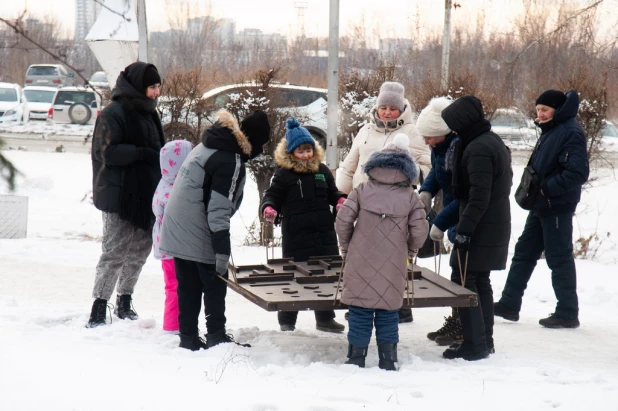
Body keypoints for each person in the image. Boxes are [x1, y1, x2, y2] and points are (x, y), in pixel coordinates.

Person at [159, 109, 271, 351]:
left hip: (177, 226)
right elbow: (218, 209)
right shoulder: (229, 159)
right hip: (196, 227)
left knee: (188, 285)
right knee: (215, 281)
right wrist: (221, 250)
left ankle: (188, 337)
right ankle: (216, 336)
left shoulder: (211, 143)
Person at [337, 81, 431, 323]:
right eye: (383, 107)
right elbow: (350, 165)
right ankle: (360, 302)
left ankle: (398, 306)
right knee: (363, 255)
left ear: (402, 109)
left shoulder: (412, 132)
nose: (387, 112)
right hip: (363, 202)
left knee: (392, 256)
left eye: (392, 108)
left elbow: (427, 166)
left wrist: (405, 179)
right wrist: (341, 195)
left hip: (395, 207)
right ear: (377, 108)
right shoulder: (365, 131)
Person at [494, 90, 589, 329]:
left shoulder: (570, 132)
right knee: (524, 252)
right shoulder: (553, 130)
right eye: (538, 110)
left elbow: (578, 172)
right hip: (541, 205)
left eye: (545, 110)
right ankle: (509, 304)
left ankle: (567, 312)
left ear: (558, 109)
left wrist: (547, 189)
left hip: (556, 205)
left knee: (559, 258)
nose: (540, 114)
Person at [336, 134, 429, 370]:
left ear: (375, 165)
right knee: (389, 311)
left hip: (359, 259)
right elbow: (419, 230)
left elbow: (343, 220)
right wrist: (410, 249)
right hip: (394, 262)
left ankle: (356, 357)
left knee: (359, 309)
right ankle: (388, 359)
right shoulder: (410, 197)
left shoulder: (361, 190)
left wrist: (347, 246)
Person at [87, 62, 165, 328]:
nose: (156, 92)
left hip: (146, 195)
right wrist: (142, 154)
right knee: (114, 253)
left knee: (139, 252)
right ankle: (98, 308)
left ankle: (124, 300)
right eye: (152, 87)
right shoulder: (113, 113)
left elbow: (161, 150)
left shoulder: (150, 114)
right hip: (119, 196)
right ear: (138, 87)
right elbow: (105, 151)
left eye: (157, 87)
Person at [440, 94, 513, 361]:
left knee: (465, 281)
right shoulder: (489, 141)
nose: (453, 130)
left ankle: (476, 345)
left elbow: (479, 196)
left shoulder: (479, 148)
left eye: (454, 124)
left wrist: (464, 230)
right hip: (491, 224)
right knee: (479, 281)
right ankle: (484, 341)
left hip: (481, 226)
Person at [261, 118, 347, 333]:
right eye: (301, 151)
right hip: (296, 235)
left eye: (309, 150)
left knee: (327, 275)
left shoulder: (322, 171)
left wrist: (339, 200)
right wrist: (269, 208)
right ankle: (287, 319)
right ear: (291, 153)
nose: (306, 155)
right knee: (294, 276)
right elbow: (272, 195)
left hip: (324, 234)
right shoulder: (283, 174)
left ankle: (325, 318)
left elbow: (332, 192)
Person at [415, 97, 463, 346]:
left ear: (442, 132)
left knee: (464, 277)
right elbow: (437, 170)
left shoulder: (458, 150)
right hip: (455, 215)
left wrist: (440, 223)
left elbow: (463, 197)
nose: (425, 142)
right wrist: (427, 190)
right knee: (458, 272)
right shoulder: (441, 148)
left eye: (429, 136)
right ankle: (457, 322)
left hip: (463, 217)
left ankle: (463, 326)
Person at [152, 140, 194, 333]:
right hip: (172, 247)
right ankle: (171, 327)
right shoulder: (174, 191)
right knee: (176, 287)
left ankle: (173, 325)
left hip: (166, 244)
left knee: (174, 286)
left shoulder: (167, 180)